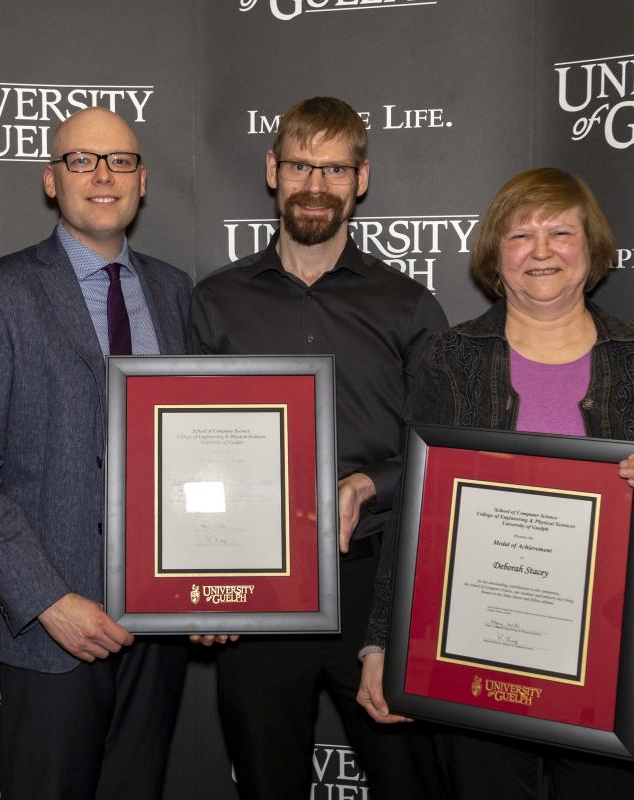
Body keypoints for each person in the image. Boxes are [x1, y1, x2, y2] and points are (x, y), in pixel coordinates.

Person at [357, 167, 634, 798]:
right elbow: (415, 517)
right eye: (521, 235)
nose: (543, 249)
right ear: (496, 256)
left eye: (561, 231)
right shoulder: (451, 358)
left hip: (610, 669)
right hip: (473, 657)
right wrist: (378, 644)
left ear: (592, 249)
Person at [189, 96, 448, 800]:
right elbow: (188, 457)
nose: (315, 183)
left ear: (361, 180)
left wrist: (368, 484)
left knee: (411, 783)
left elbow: (438, 451)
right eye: (301, 164)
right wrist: (198, 582)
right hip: (257, 591)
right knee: (266, 784)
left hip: (376, 584)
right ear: (273, 169)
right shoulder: (215, 301)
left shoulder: (409, 306)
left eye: (334, 169)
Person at [0, 107, 193, 800]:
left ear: (142, 180)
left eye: (119, 161)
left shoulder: (175, 293)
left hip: (160, 623)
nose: (102, 176)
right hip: (51, 631)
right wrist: (47, 599)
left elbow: (196, 452)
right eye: (81, 161)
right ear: (51, 180)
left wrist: (211, 586)